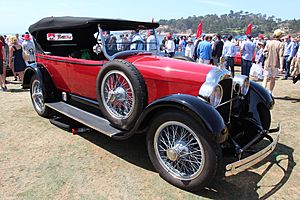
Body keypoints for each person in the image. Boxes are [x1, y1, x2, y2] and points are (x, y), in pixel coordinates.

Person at [262, 29, 284, 95]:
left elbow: (264, 52)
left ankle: (263, 91)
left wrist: (267, 55)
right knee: (273, 78)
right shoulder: (280, 44)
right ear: (279, 35)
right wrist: (281, 66)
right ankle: (270, 92)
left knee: (265, 77)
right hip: (275, 64)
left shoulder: (269, 43)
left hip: (267, 62)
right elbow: (281, 56)